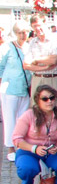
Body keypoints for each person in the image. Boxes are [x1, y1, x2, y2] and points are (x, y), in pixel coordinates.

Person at [12, 85, 57, 184]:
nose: (49, 101)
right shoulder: (28, 115)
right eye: (45, 99)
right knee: (27, 168)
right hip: (29, 151)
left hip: (51, 152)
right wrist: (34, 148)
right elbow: (17, 139)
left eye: (52, 98)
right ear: (37, 101)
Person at [0, 20, 32, 162]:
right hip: (10, 89)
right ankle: (10, 147)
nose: (23, 35)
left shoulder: (29, 47)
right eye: (20, 32)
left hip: (24, 88)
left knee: (22, 119)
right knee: (10, 119)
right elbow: (0, 66)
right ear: (15, 33)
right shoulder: (7, 47)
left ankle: (21, 145)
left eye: (25, 32)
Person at [23, 14, 57, 109]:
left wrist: (36, 60)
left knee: (56, 109)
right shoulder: (32, 42)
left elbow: (53, 60)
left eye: (39, 25)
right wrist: (44, 67)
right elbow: (26, 64)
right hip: (37, 79)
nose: (38, 28)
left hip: (53, 79)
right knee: (36, 109)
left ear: (45, 23)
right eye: (34, 26)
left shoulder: (56, 39)